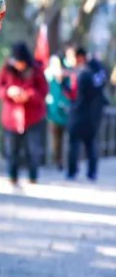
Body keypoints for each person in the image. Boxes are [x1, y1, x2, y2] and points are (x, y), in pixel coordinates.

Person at [0, 42, 48, 189]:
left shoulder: (37, 70)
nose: (18, 65)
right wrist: (9, 91)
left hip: (33, 116)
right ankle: (12, 177)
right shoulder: (6, 69)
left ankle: (33, 177)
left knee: (33, 149)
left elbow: (43, 92)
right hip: (11, 117)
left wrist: (28, 95)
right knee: (12, 150)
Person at [66, 47, 108, 181]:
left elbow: (76, 95)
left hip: (81, 113)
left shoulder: (84, 73)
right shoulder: (96, 70)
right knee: (90, 143)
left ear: (79, 57)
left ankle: (73, 172)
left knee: (77, 142)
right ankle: (91, 172)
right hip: (93, 114)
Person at [45, 55, 72, 169]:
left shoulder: (68, 81)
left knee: (66, 139)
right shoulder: (50, 80)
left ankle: (65, 161)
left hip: (66, 114)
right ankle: (56, 160)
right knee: (55, 138)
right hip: (52, 113)